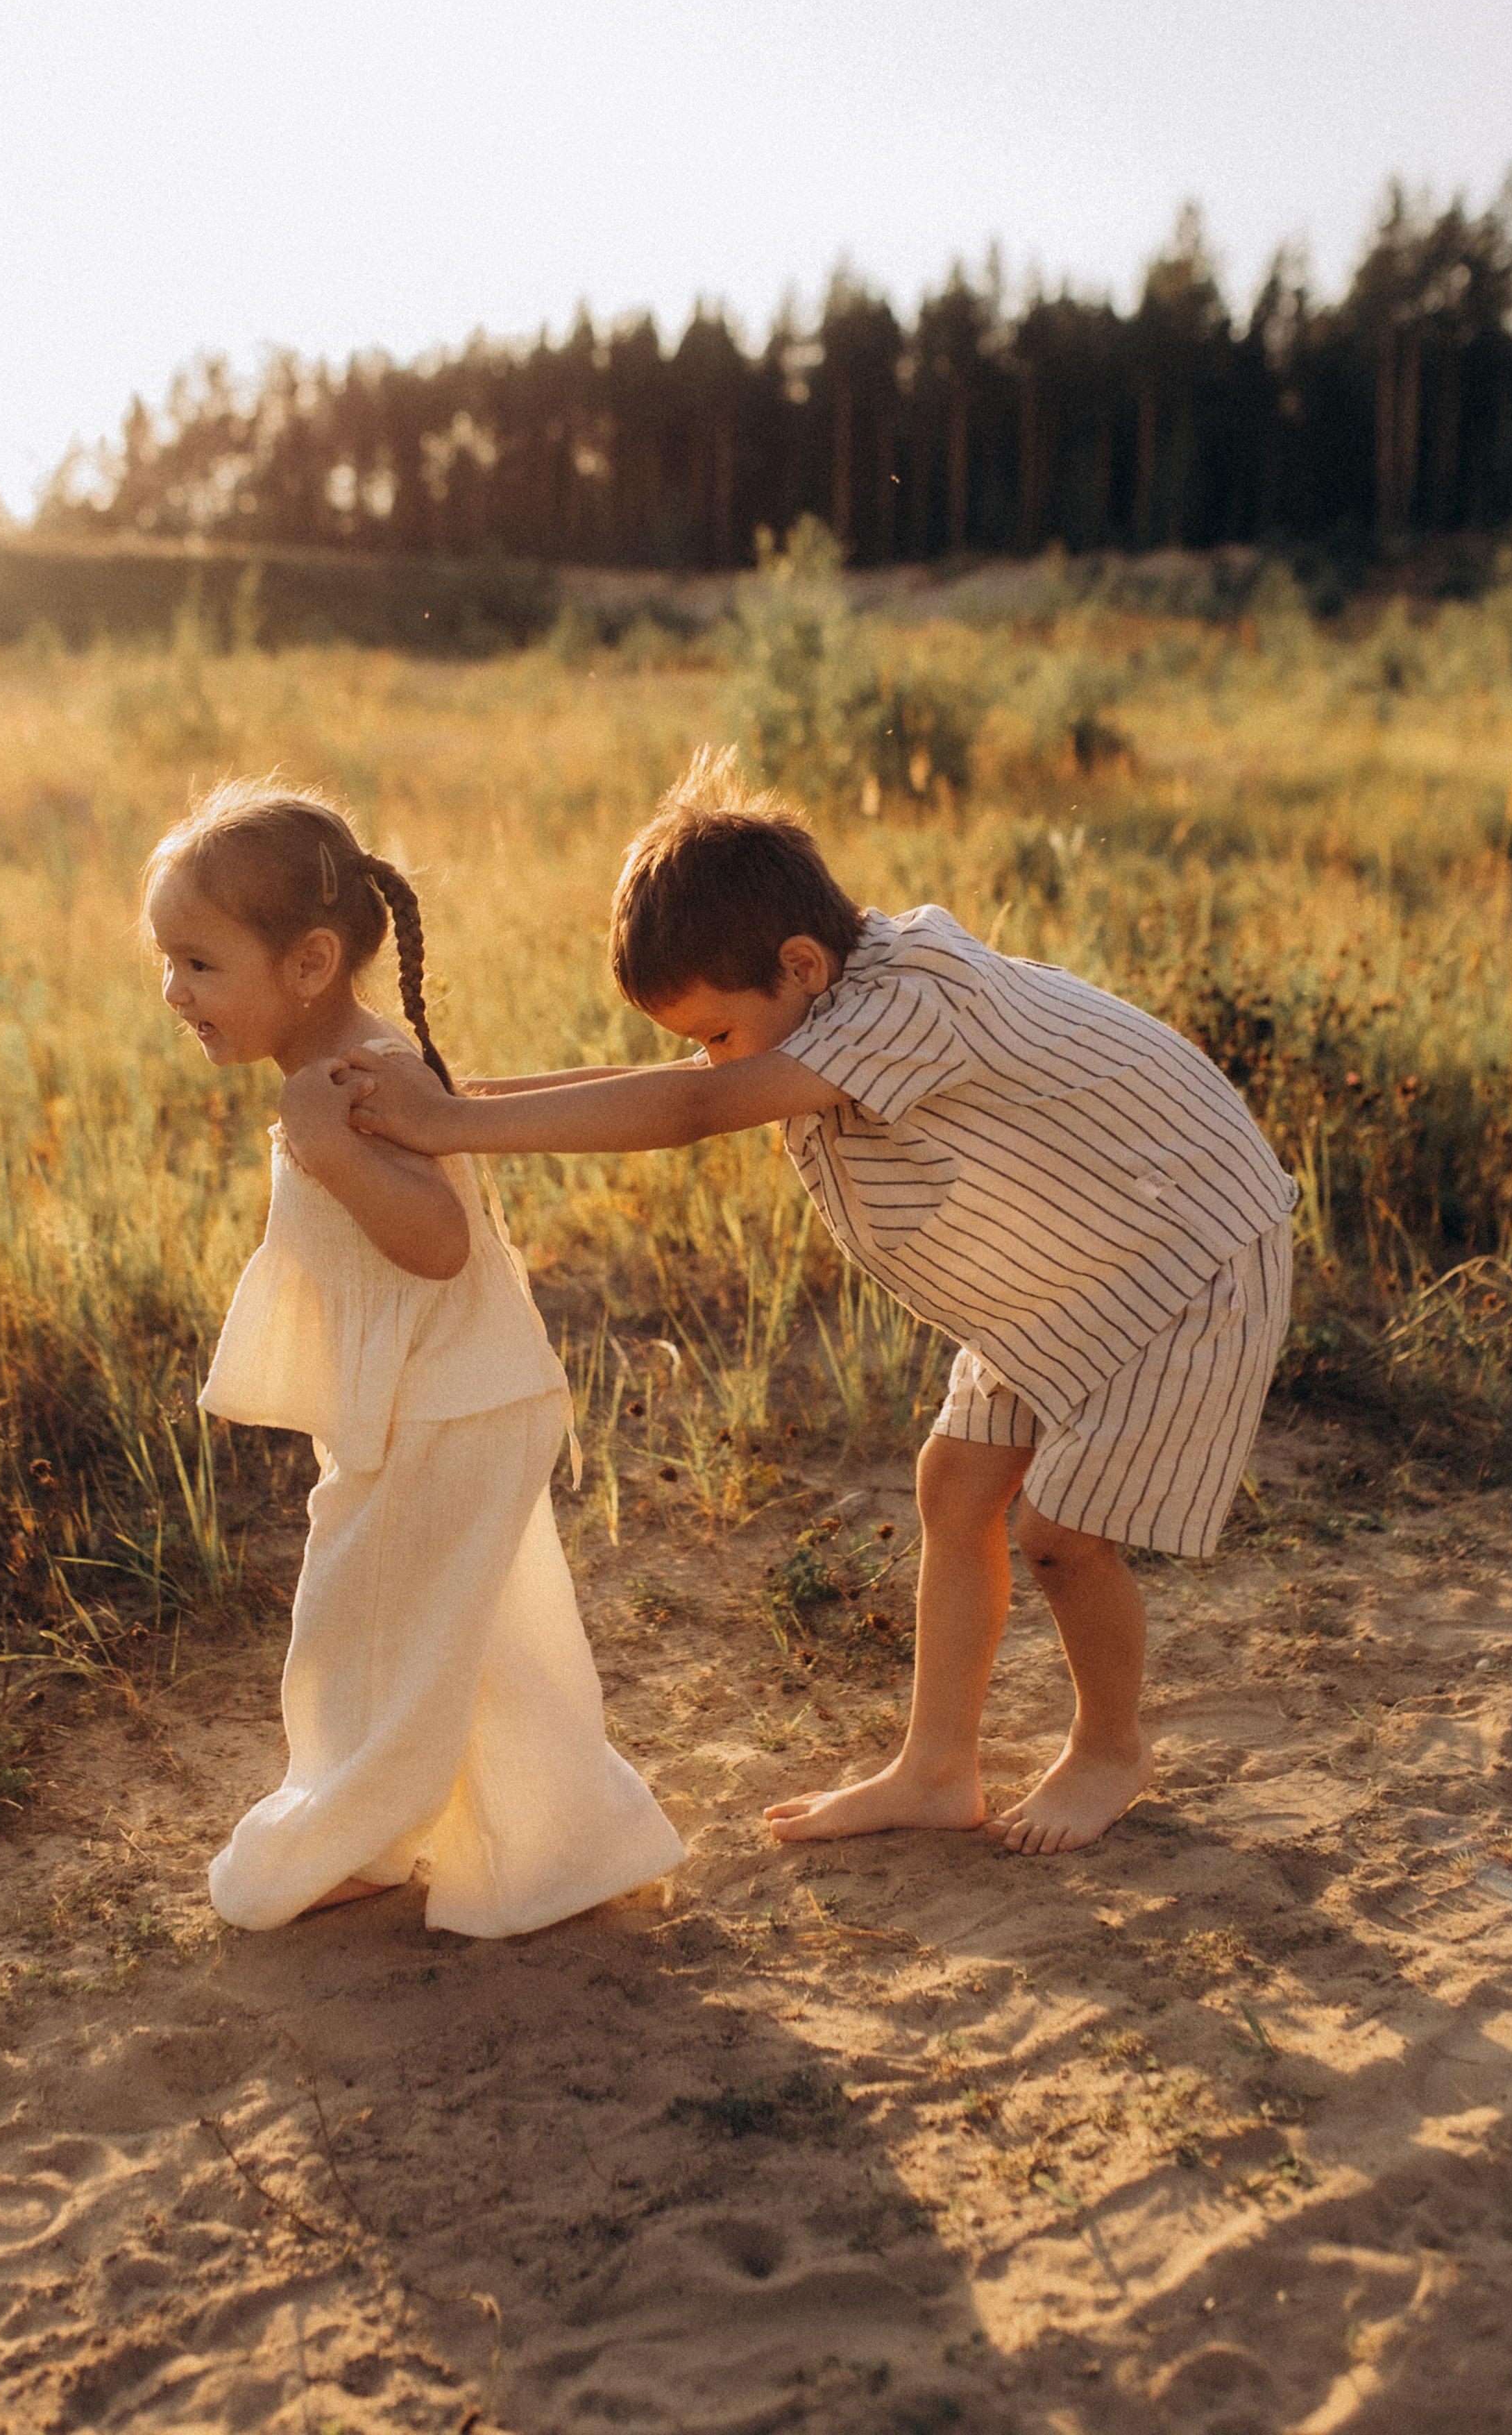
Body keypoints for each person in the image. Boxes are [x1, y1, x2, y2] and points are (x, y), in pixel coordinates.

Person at [332, 749, 1298, 1858]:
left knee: (1061, 1537)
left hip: (1178, 1260)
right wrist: (452, 1096)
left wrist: (449, 1128)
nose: (711, 1057)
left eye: (717, 1030)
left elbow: (696, 1108)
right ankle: (938, 1769)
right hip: (1061, 1274)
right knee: (956, 1486)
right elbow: (691, 1081)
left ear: (800, 963)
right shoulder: (821, 996)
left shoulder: (912, 999)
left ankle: (1109, 1748)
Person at [143, 776, 682, 1935]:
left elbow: (438, 1245)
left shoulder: (357, 1085)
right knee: (481, 1639)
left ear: (309, 963)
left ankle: (353, 1836)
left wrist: (329, 1154)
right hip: (447, 1397)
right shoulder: (341, 1073)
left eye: (198, 963)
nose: (174, 991)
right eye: (170, 963)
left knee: (363, 1636)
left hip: (445, 1406)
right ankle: (562, 1836)